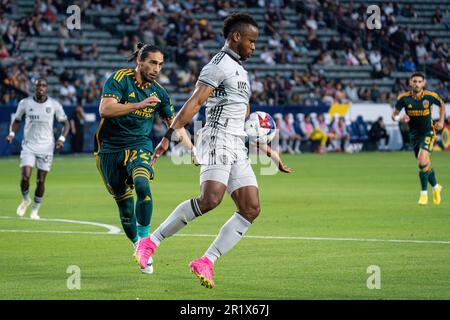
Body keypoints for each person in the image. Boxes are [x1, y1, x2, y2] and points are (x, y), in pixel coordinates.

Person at [149, 13, 292, 289]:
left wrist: (267, 150)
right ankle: (151, 242)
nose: (254, 46)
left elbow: (243, 119)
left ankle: (206, 261)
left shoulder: (242, 71)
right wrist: (169, 136)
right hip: (216, 138)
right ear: (236, 37)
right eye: (251, 40)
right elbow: (194, 102)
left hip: (236, 143)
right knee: (210, 199)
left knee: (251, 208)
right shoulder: (218, 65)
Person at [94, 43, 193, 274]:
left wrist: (192, 150)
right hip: (109, 149)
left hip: (139, 145)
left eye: (160, 64)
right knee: (126, 209)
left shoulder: (159, 92)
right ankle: (137, 244)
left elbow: (175, 124)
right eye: (152, 62)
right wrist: (139, 104)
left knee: (142, 184)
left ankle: (146, 243)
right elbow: (105, 110)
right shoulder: (119, 79)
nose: (157, 68)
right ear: (140, 61)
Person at [5, 78, 70, 219]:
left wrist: (61, 139)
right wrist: (11, 134)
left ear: (47, 88)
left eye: (43, 85)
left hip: (46, 147)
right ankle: (25, 199)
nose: (41, 87)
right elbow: (16, 120)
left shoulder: (54, 104)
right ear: (34, 88)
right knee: (25, 177)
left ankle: (35, 210)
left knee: (41, 181)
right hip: (28, 146)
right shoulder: (25, 103)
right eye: (38, 85)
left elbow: (66, 123)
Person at [391, 72, 445, 206]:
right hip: (414, 135)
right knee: (424, 164)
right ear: (410, 83)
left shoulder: (430, 96)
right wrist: (400, 118)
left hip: (428, 132)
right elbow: (393, 115)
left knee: (421, 160)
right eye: (414, 81)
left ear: (424, 84)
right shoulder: (403, 98)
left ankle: (423, 194)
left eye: (420, 81)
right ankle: (436, 187)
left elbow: (442, 104)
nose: (417, 83)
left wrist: (442, 121)